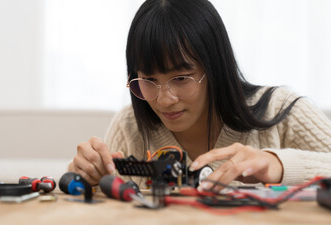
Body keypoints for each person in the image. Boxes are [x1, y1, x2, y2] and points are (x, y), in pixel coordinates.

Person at [68, 0, 331, 190]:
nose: (164, 100)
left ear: (215, 68)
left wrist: (278, 164)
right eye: (148, 81)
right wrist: (86, 178)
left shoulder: (282, 111)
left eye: (181, 78)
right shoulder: (130, 126)